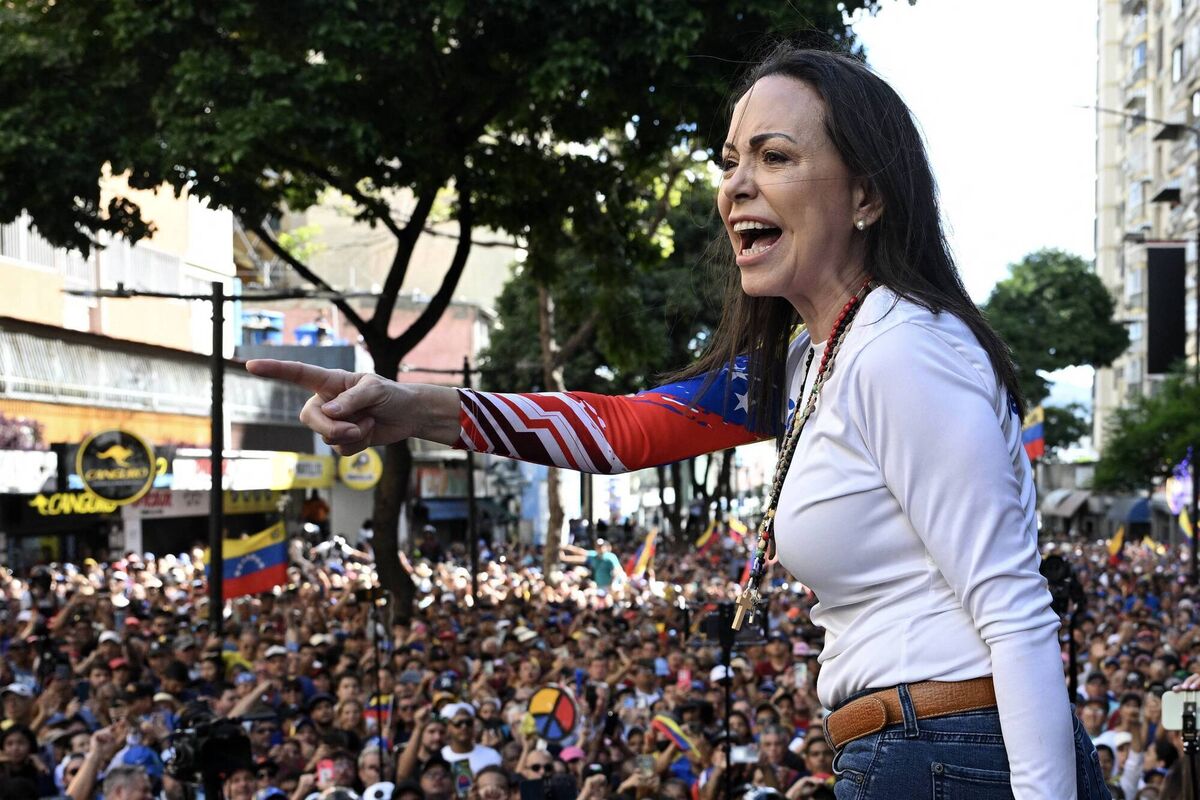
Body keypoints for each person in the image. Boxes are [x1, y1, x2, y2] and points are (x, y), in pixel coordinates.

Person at [244, 45, 1105, 798]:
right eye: (731, 160)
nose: (736, 186)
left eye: (774, 156)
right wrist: (411, 408)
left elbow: (1015, 610)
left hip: (951, 753)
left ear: (867, 195)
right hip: (920, 751)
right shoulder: (819, 356)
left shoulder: (903, 349)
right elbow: (631, 429)